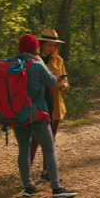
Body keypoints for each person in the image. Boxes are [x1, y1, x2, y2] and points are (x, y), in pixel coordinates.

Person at [11, 33, 77, 198]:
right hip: (38, 112)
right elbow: (53, 83)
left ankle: (28, 186)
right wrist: (58, 81)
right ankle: (56, 188)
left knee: (23, 149)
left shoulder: (9, 64)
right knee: (49, 148)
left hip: (17, 113)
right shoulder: (37, 64)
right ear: (36, 46)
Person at [30, 29, 69, 181]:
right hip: (37, 105)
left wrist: (62, 85)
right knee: (34, 140)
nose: (51, 48)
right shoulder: (33, 60)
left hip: (54, 106)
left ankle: (47, 171)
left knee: (50, 140)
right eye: (49, 44)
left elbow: (66, 85)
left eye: (54, 45)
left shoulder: (58, 60)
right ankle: (26, 173)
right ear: (41, 44)